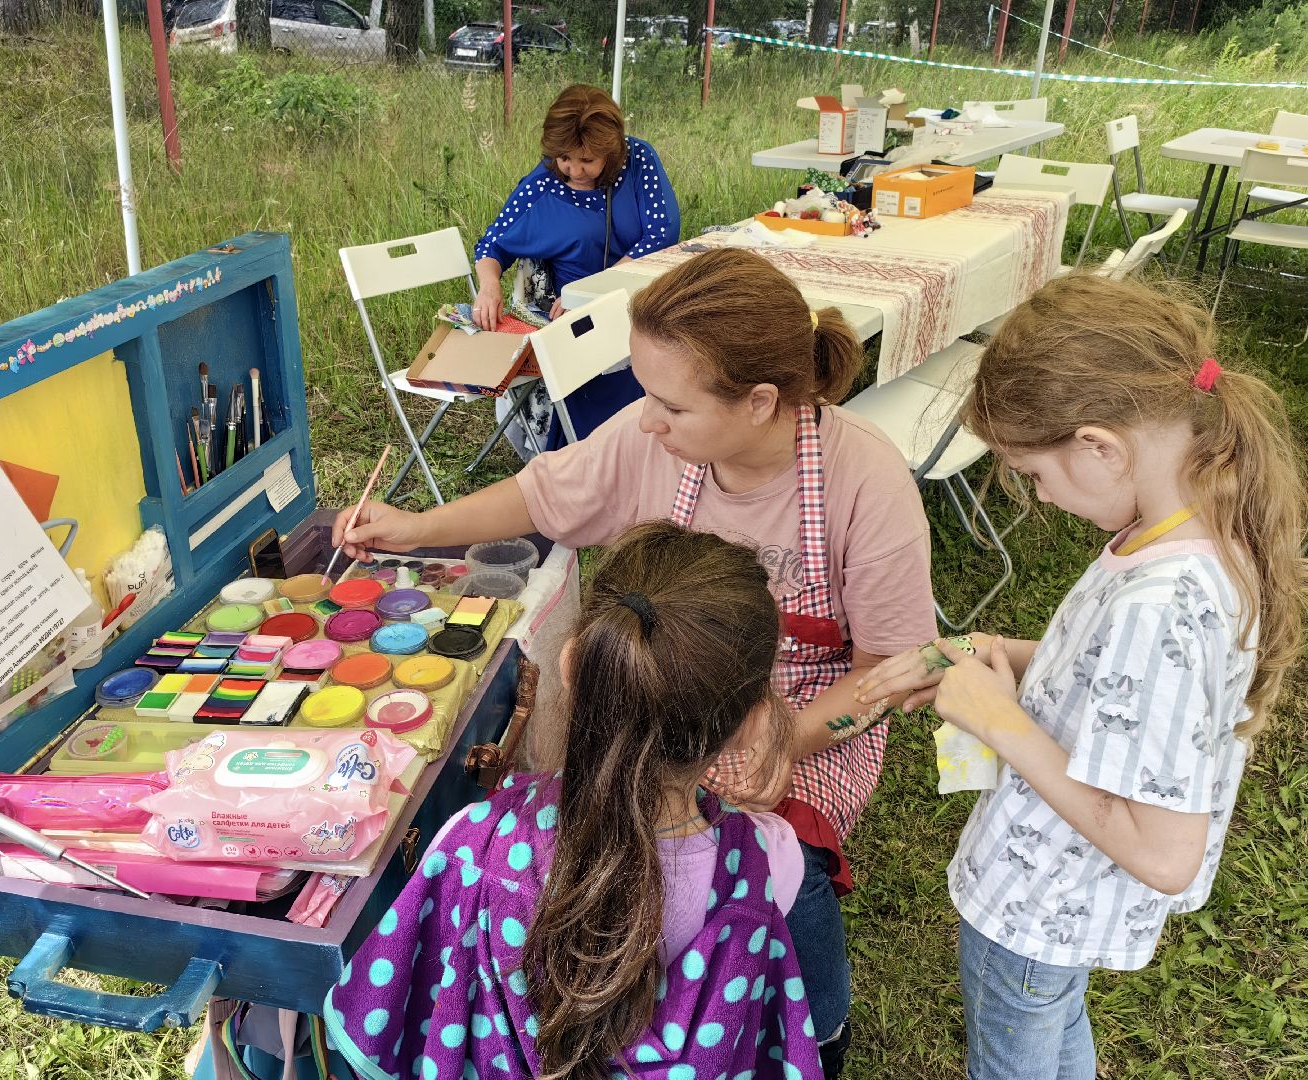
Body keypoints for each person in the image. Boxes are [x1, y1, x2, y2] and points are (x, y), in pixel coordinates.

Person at [334, 248, 940, 1076]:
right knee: (611, 833)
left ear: (761, 402)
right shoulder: (655, 433)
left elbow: (886, 671)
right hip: (656, 690)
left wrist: (780, 741)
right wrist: (414, 528)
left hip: (805, 710)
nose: (644, 420)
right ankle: (626, 997)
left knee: (774, 858)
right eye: (644, 391)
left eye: (669, 405)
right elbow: (544, 494)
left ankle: (808, 1017)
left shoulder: (867, 482)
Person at [855, 274, 1307, 1080]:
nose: (1037, 492)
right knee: (1056, 1031)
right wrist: (1002, 652)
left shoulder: (1162, 601)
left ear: (1100, 445)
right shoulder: (1182, 529)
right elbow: (1118, 679)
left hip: (1038, 910)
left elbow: (1165, 854)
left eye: (1033, 474)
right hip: (1053, 900)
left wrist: (1000, 722)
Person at [322, 522, 824, 1078]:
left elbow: (396, 1004)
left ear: (570, 667)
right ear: (752, 725)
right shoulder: (773, 858)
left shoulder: (473, 845)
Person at [472, 82, 680, 453]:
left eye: (587, 160)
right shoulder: (544, 182)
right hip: (566, 313)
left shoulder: (639, 161)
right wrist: (489, 286)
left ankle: (640, 448)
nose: (574, 170)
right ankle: (580, 454)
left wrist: (595, 292)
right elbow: (493, 243)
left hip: (637, 296)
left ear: (612, 151)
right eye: (565, 158)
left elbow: (662, 234)